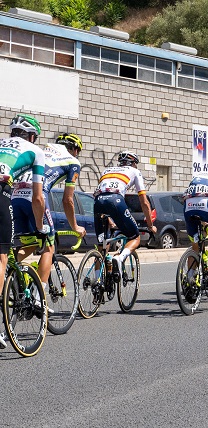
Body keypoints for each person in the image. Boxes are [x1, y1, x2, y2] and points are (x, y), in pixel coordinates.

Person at [0, 114, 48, 347]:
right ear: (31, 136)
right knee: (1, 257)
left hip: (10, 195)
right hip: (3, 191)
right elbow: (38, 198)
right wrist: (39, 228)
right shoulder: (34, 150)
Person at [15, 133, 86, 288]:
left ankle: (9, 270)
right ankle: (39, 300)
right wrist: (75, 227)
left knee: (32, 242)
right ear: (74, 149)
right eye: (78, 151)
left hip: (15, 196)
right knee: (49, 246)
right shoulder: (73, 161)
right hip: (35, 197)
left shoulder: (41, 151)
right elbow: (67, 200)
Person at [93, 151, 157, 274]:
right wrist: (150, 225)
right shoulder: (134, 171)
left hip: (98, 202)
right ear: (133, 163)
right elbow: (144, 202)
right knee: (135, 237)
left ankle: (98, 282)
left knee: (102, 245)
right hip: (116, 200)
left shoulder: (107, 171)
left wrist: (110, 220)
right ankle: (119, 258)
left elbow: (102, 194)